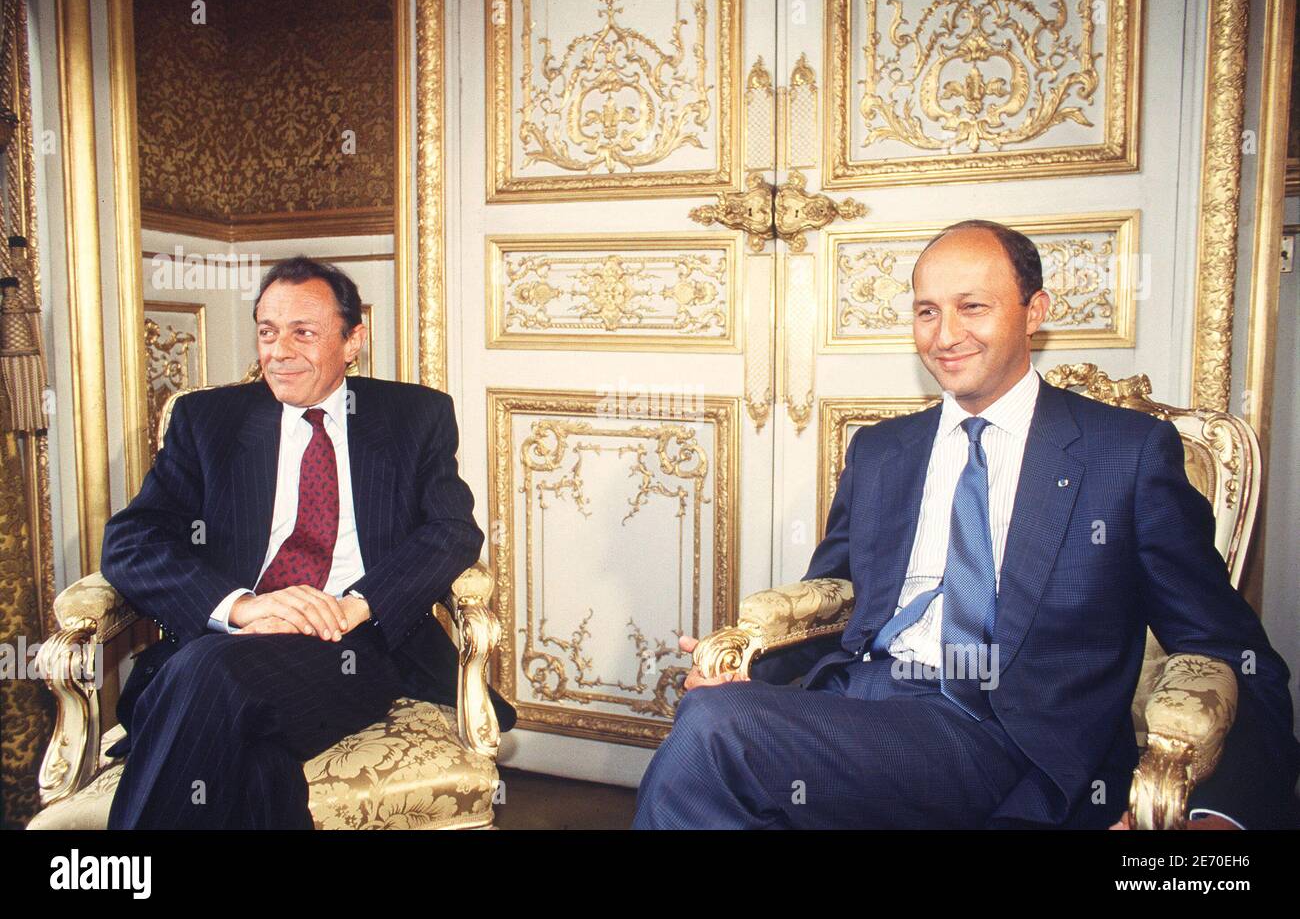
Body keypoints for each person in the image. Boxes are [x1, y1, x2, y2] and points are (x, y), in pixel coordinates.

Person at [634, 221, 1300, 829]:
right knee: (713, 720)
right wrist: (751, 669)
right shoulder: (883, 451)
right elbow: (831, 602)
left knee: (715, 733)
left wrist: (1221, 814)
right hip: (864, 706)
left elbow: (1232, 649)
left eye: (972, 306)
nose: (944, 334)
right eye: (927, 310)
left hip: (1009, 735)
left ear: (1034, 311)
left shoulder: (1123, 454)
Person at [100, 256, 515, 829]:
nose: (279, 351)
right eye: (267, 331)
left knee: (209, 676)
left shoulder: (412, 416)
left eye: (304, 332)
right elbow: (130, 539)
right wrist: (242, 607)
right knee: (252, 758)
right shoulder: (208, 421)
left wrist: (354, 606)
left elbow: (451, 529)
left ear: (353, 341)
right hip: (228, 641)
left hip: (350, 648)